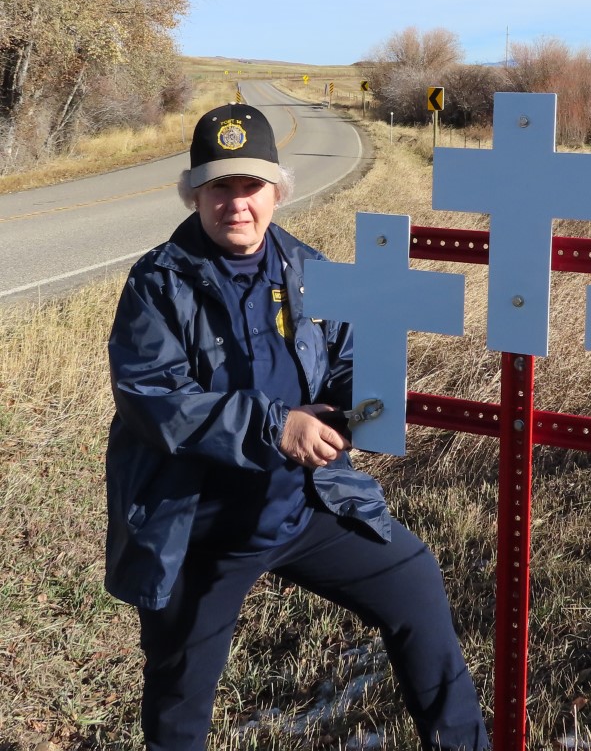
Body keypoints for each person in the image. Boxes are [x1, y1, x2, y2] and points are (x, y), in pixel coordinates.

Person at [104, 103, 489, 751]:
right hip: (200, 530)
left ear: (276, 191)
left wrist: (362, 413)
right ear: (194, 192)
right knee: (178, 704)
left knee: (415, 580)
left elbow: (348, 363)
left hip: (303, 506)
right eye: (218, 186)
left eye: (250, 186)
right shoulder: (157, 283)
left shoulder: (311, 269)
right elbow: (155, 399)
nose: (236, 204)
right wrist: (277, 426)